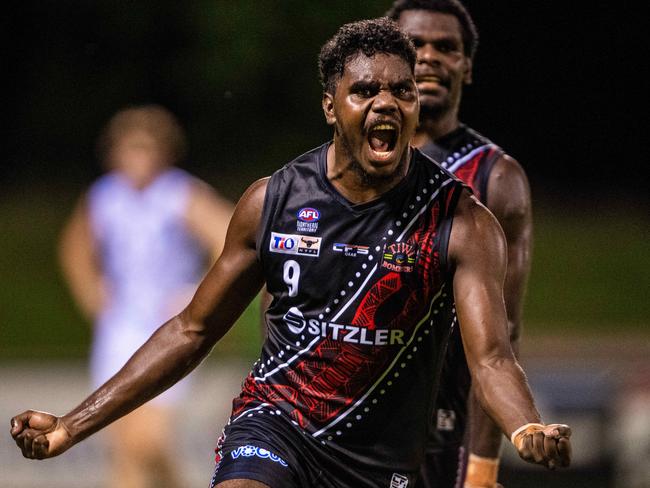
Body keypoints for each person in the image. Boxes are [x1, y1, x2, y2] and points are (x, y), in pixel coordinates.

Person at [11, 19, 569, 488]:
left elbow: (492, 358)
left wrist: (525, 428)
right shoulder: (272, 200)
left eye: (402, 91)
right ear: (331, 106)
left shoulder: (463, 222)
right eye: (365, 91)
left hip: (380, 461)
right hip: (276, 424)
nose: (386, 104)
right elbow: (191, 331)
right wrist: (70, 426)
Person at [387, 1, 533, 487]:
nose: (428, 57)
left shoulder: (495, 178)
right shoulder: (344, 168)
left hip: (439, 421)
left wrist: (482, 467)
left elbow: (501, 338)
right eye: (414, 45)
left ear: (466, 67)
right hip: (343, 414)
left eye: (446, 47)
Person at [57, 104, 234, 488]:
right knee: (122, 443)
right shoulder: (105, 196)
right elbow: (75, 248)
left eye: (147, 148)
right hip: (120, 326)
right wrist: (92, 292)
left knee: (148, 439)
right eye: (131, 148)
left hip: (168, 328)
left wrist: (199, 293)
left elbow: (231, 240)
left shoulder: (179, 194)